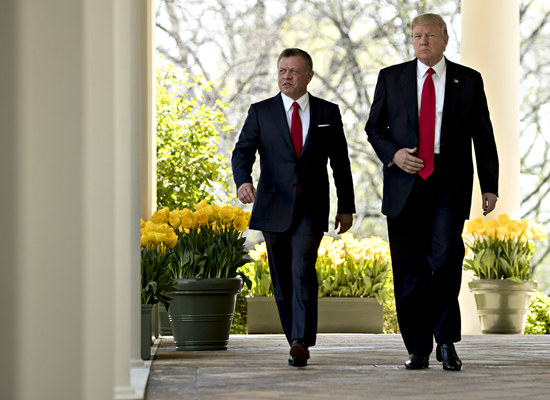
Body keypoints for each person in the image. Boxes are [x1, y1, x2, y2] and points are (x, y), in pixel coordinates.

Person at [366, 13, 499, 371]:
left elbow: (483, 136)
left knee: (445, 260)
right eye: (416, 36)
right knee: (409, 270)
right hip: (404, 183)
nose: (422, 41)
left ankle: (446, 342)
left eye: (429, 36)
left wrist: (490, 185)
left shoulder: (467, 80)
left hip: (448, 183)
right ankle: (418, 348)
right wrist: (394, 154)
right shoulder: (391, 77)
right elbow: (374, 128)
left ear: (445, 39)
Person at [232, 48, 355, 367]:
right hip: (273, 205)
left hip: (311, 207)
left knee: (302, 267)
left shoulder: (328, 112)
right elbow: (242, 152)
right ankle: (294, 338)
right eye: (282, 71)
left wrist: (346, 206)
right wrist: (243, 181)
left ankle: (300, 340)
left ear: (309, 76)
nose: (286, 77)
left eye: (294, 71)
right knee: (282, 275)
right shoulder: (261, 111)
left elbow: (340, 163)